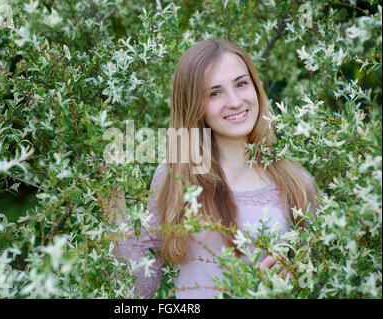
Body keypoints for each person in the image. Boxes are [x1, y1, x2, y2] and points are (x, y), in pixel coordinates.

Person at [108, 39, 319, 299]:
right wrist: (113, 204)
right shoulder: (175, 176)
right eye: (214, 93)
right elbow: (138, 290)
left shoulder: (296, 181)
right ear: (194, 105)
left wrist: (296, 279)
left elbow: (322, 282)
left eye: (241, 84)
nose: (234, 101)